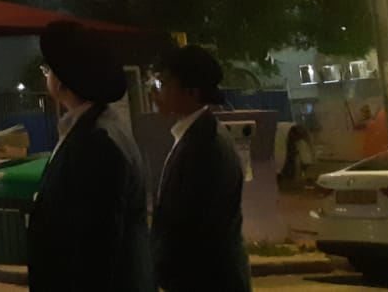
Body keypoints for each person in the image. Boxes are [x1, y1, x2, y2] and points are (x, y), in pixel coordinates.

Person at [26, 22, 154, 292]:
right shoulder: (89, 129)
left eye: (47, 70)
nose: (46, 76)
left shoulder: (98, 141)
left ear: (63, 80)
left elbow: (97, 241)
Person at [150, 46, 251, 292]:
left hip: (206, 280)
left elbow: (191, 225)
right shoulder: (195, 135)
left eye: (163, 84)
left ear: (192, 92)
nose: (155, 92)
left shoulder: (204, 145)